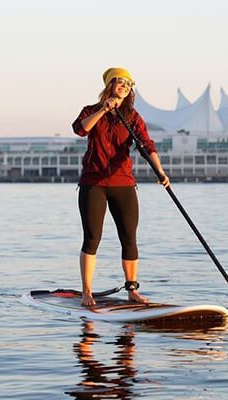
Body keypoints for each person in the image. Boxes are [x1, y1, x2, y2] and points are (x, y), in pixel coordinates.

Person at [72, 67, 170, 307]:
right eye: (120, 82)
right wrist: (103, 109)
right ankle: (87, 292)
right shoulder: (91, 111)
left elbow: (147, 145)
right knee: (92, 238)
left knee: (129, 237)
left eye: (129, 84)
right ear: (109, 85)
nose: (125, 87)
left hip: (123, 183)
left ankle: (132, 290)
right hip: (93, 183)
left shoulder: (133, 117)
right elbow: (80, 129)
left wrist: (161, 172)